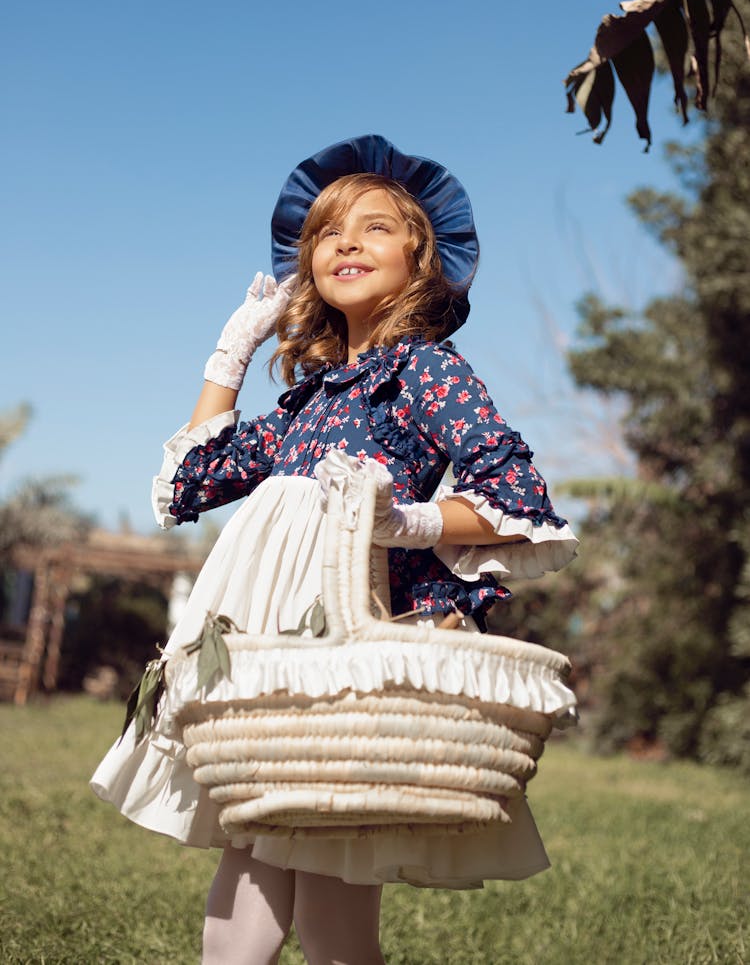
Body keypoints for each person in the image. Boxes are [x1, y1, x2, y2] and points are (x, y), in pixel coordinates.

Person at [91, 135, 578, 965]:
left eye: (376, 227)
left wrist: (412, 522)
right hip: (267, 648)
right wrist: (231, 351)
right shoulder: (306, 401)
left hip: (345, 643)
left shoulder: (425, 370)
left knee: (329, 881)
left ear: (421, 260)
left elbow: (516, 497)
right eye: (326, 232)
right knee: (249, 855)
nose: (346, 243)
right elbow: (189, 485)